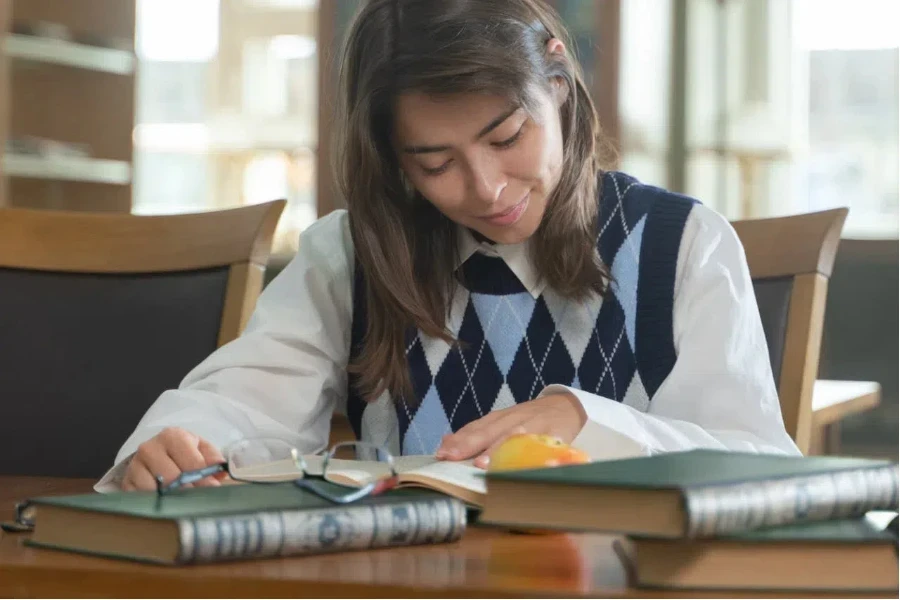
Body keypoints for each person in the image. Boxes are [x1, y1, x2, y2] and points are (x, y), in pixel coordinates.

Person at [99, 0, 799, 493]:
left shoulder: (680, 244)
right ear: (395, 161)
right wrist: (179, 443)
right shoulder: (353, 255)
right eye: (436, 164)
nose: (489, 189)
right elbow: (244, 403)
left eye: (505, 138)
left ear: (557, 85)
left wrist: (593, 422)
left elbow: (760, 461)